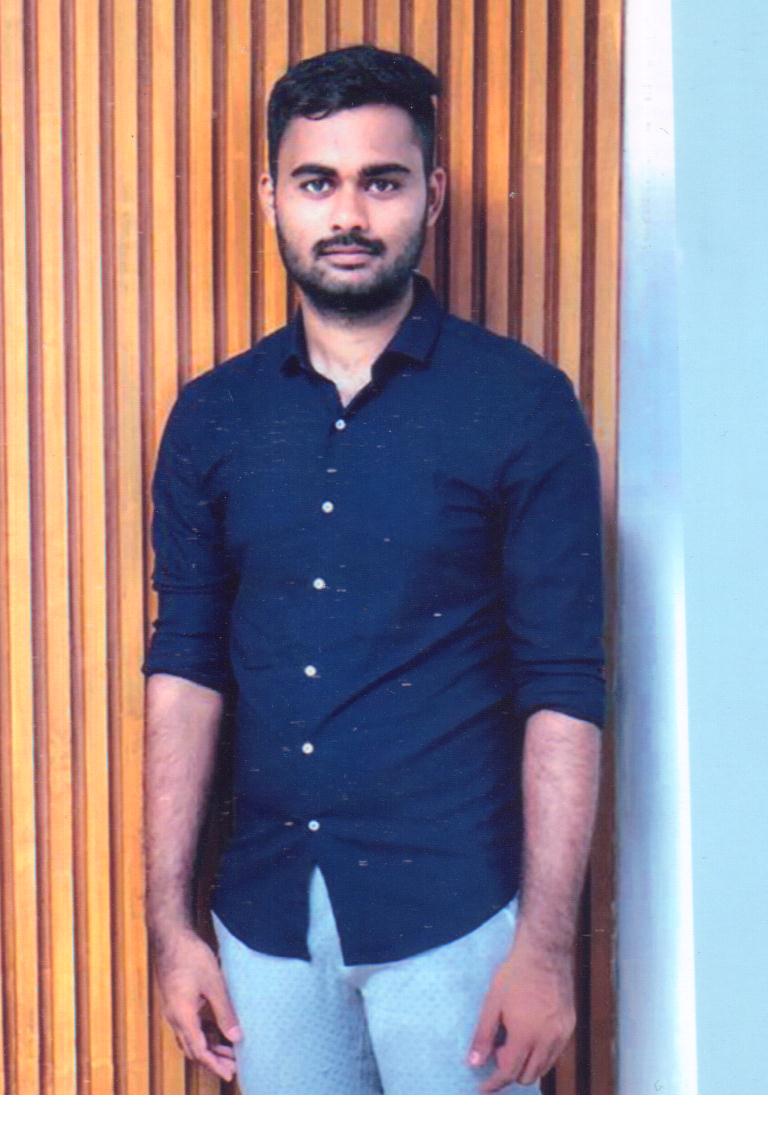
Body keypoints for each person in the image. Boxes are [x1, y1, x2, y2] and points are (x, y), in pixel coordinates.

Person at [142, 44, 605, 1096]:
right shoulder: (213, 416)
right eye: (317, 182)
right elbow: (185, 670)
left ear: (430, 194)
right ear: (271, 196)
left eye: (381, 181)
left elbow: (564, 683)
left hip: (459, 926)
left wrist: (543, 948)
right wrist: (172, 929)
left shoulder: (521, 404)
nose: (348, 214)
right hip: (264, 929)